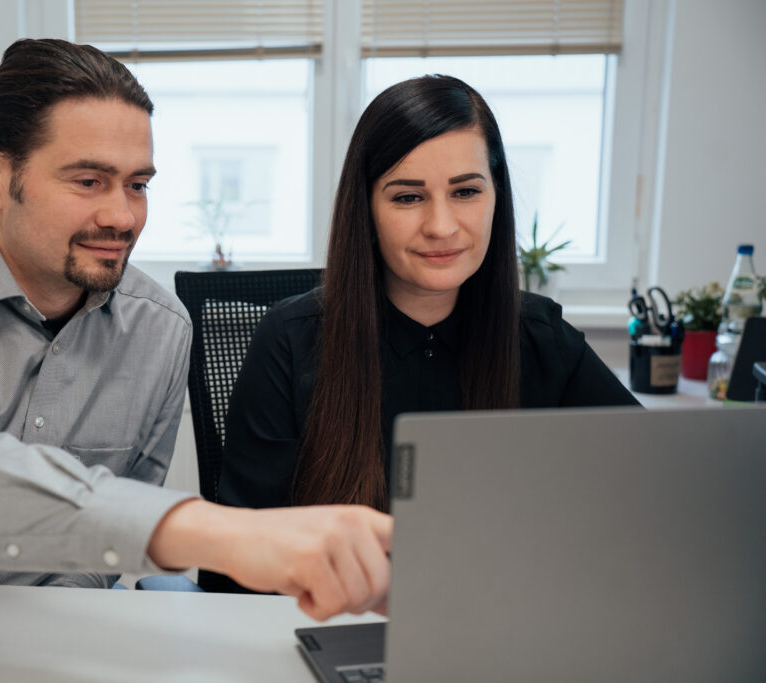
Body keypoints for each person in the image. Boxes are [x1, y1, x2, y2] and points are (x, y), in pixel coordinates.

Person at [0, 39, 391, 622]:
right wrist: (217, 533)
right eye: (89, 180)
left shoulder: (158, 329)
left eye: (137, 184)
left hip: (17, 644)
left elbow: (90, 565)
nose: (122, 214)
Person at [210, 75, 639, 593]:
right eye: (409, 197)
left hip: (500, 632)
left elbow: (653, 492)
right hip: (328, 628)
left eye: (465, 191)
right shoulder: (291, 339)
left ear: (496, 197)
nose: (441, 225)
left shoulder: (541, 339)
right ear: (365, 208)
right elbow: (234, 567)